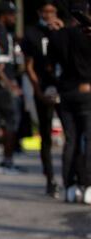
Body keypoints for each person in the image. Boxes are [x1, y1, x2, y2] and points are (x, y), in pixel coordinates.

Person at [49, 1, 91, 204]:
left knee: (71, 140)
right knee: (87, 140)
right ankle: (88, 183)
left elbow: (50, 67)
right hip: (85, 90)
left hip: (66, 92)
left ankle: (69, 184)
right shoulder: (86, 35)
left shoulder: (57, 35)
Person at [22, 1, 63, 197]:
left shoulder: (64, 30)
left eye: (52, 11)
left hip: (64, 87)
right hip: (43, 87)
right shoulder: (32, 32)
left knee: (71, 136)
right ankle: (50, 178)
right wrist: (37, 90)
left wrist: (61, 31)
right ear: (39, 12)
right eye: (45, 11)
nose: (49, 15)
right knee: (45, 134)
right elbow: (28, 65)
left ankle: (73, 177)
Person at [0, 1, 23, 174]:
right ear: (3, 14)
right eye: (12, 14)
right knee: (10, 120)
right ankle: (6, 160)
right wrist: (10, 85)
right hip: (0, 84)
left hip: (1, 82)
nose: (14, 18)